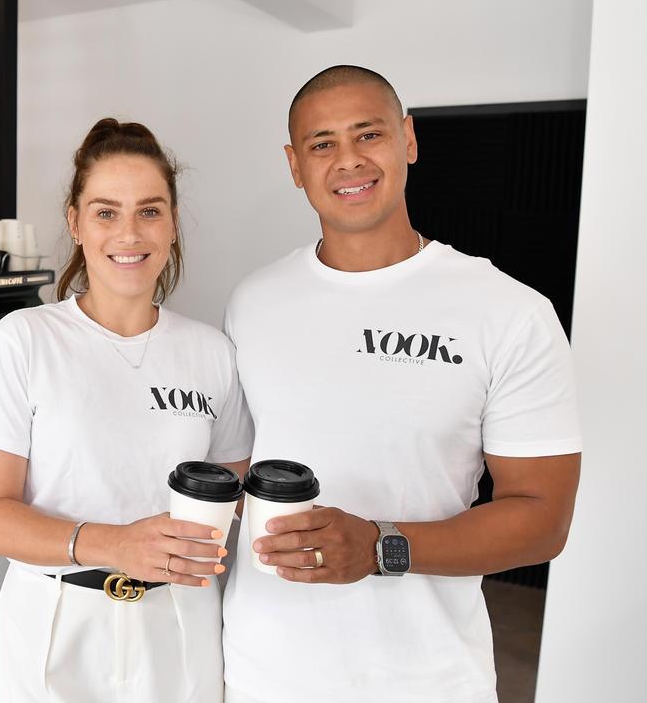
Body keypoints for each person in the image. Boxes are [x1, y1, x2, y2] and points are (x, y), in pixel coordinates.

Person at [220, 65, 583, 703]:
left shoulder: (509, 312)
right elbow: (241, 473)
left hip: (426, 678)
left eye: (370, 135)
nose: (348, 161)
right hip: (263, 668)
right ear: (294, 164)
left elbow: (543, 520)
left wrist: (385, 545)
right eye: (322, 143)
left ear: (409, 140)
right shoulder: (253, 301)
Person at [0, 118, 254, 701]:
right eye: (105, 211)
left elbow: (232, 496)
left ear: (171, 224)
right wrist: (112, 544)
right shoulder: (25, 340)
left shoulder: (211, 353)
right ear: (75, 222)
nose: (129, 233)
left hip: (180, 618)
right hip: (57, 618)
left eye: (149, 210)